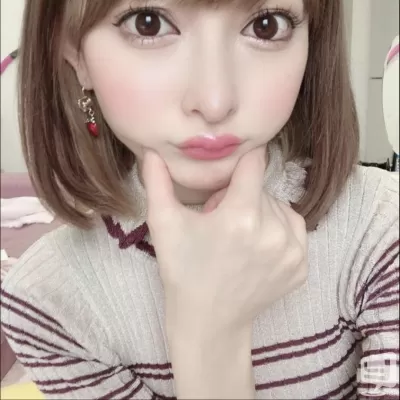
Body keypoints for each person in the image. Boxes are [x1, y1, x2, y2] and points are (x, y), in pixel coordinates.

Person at [1, 0, 398, 399]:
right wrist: (212, 334)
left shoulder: (381, 231)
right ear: (75, 50)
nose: (214, 101)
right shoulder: (49, 302)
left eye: (266, 25)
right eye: (149, 23)